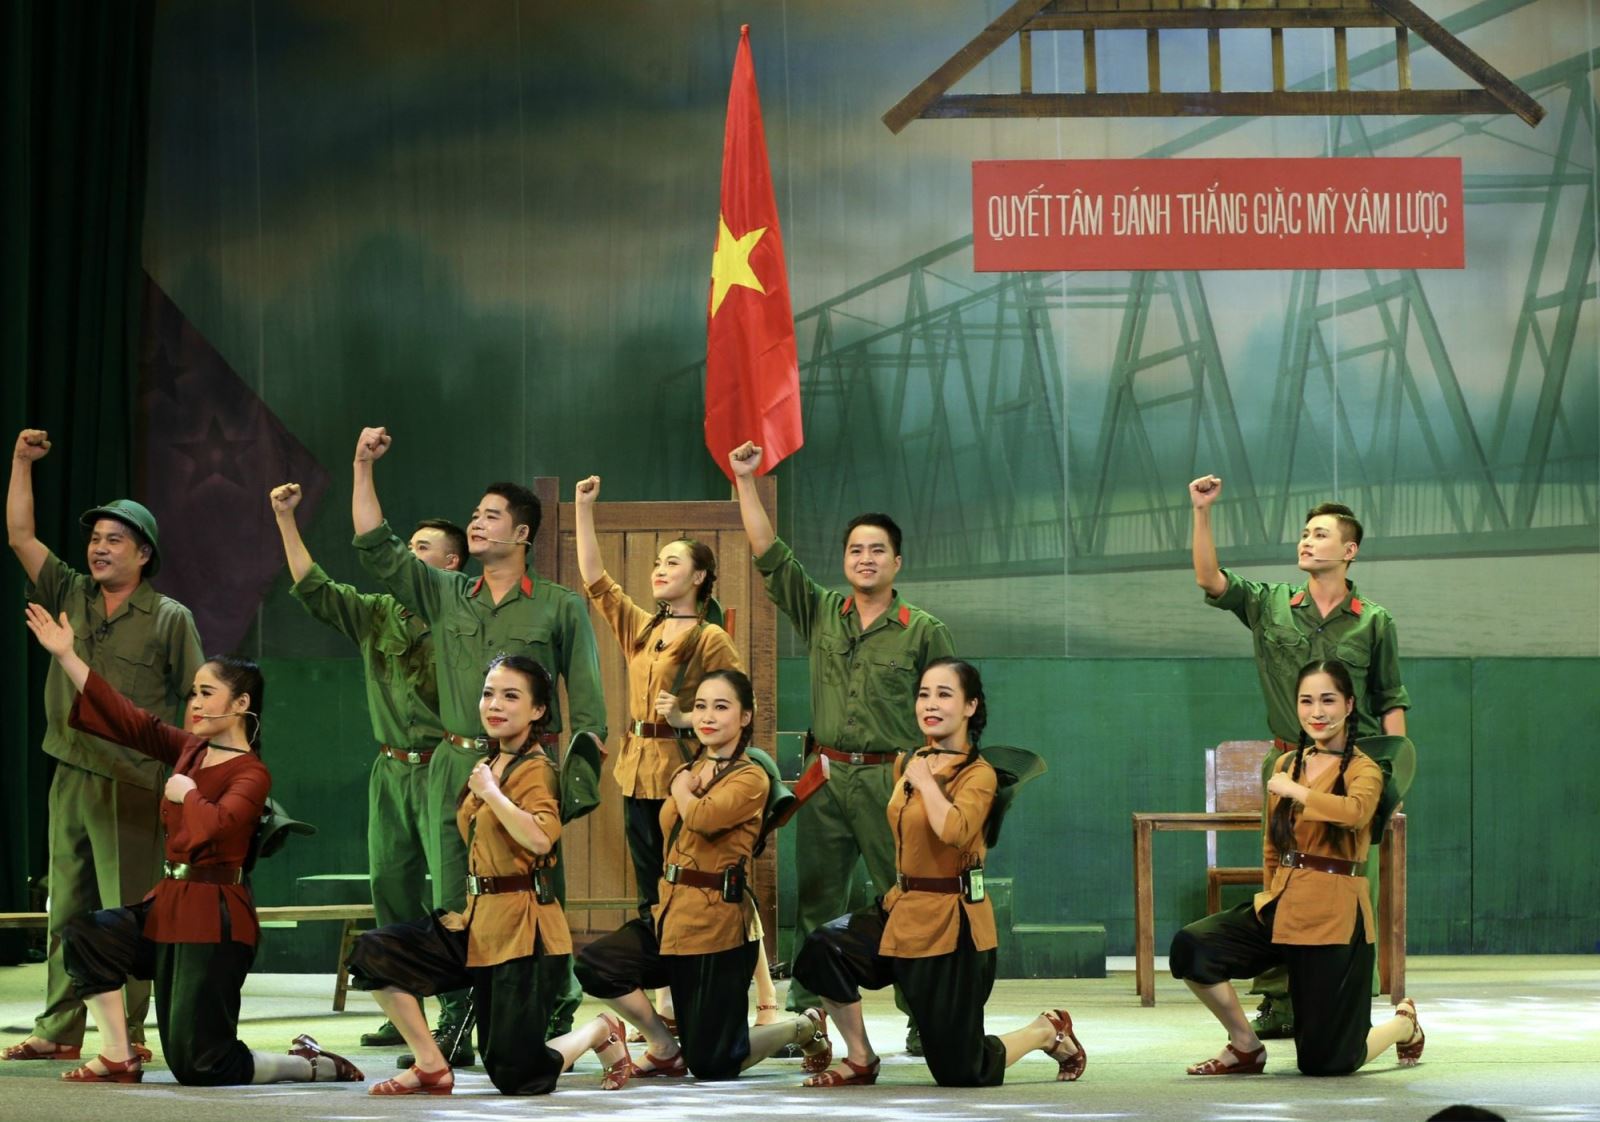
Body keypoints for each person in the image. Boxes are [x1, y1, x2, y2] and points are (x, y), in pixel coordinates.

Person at [21, 604, 362, 1086]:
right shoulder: (192, 750)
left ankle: (310, 1063)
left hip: (214, 919)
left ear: (241, 704)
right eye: (193, 693)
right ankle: (118, 1055)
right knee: (88, 935)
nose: (195, 703)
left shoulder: (251, 773)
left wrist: (188, 793)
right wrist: (67, 656)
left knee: (201, 1065)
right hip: (168, 905)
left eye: (206, 693)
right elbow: (128, 719)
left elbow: (218, 827)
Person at [350, 426, 607, 1061]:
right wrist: (362, 467)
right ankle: (456, 1017)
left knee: (532, 892)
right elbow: (377, 548)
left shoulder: (558, 606)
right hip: (456, 763)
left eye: (490, 516)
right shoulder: (445, 593)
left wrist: (570, 795)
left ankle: (551, 1003)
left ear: (522, 534)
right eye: (474, 514)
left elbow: (590, 710)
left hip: (526, 767)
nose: (476, 522)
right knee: (451, 897)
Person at [729, 440, 954, 1052]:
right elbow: (769, 555)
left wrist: (937, 781)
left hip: (894, 781)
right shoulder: (823, 612)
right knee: (816, 902)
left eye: (877, 550)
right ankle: (809, 1018)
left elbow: (949, 712)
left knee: (908, 897)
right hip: (825, 777)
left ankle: (924, 1014)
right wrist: (745, 481)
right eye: (855, 549)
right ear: (844, 560)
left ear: (897, 562)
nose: (865, 558)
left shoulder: (923, 631)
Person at [5, 429, 205, 1064]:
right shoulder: (71, 593)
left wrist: (191, 779)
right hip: (71, 769)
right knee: (66, 905)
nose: (99, 548)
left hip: (134, 781)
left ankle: (132, 1032)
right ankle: (59, 1027)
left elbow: (197, 700)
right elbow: (20, 535)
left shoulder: (169, 617)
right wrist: (21, 462)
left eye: (114, 539)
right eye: (95, 538)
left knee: (128, 908)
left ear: (144, 554)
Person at [1188, 475, 1411, 1039]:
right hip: (1288, 765)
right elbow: (1210, 579)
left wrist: (1391, 781)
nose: (1306, 541)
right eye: (1305, 533)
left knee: (1345, 880)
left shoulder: (1374, 620)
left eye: (1320, 534)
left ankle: (1344, 994)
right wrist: (1202, 511)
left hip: (1352, 771)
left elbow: (1390, 701)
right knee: (1281, 879)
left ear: (1349, 550)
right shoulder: (1270, 605)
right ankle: (1279, 1000)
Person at [791, 658, 1084, 1087]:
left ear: (970, 706)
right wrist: (919, 773)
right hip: (902, 909)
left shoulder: (979, 775)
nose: (930, 704)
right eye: (924, 694)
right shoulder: (912, 762)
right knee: (824, 949)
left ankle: (1045, 1029)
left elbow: (955, 831)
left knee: (961, 1070)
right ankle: (861, 1059)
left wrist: (928, 783)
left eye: (944, 695)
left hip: (952, 926)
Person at [344, 655, 627, 1096]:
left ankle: (599, 1030)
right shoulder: (491, 763)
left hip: (522, 933)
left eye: (510, 696)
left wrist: (492, 794)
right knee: (374, 952)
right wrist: (489, 786)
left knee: (516, 1074)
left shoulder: (536, 769)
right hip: (476, 922)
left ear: (537, 710)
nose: (494, 705)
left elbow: (540, 838)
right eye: (489, 694)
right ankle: (431, 1065)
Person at [571, 475, 780, 1030]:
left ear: (700, 576)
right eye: (658, 562)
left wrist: (686, 716)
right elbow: (595, 580)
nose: (659, 570)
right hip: (635, 771)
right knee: (653, 891)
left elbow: (738, 703)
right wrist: (584, 508)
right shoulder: (643, 628)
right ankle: (666, 1001)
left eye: (673, 562)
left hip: (684, 775)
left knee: (703, 884)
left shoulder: (709, 637)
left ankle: (764, 998)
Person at [271, 481, 466, 1048]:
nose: (406, 553)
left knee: (452, 894)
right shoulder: (378, 614)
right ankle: (405, 1010)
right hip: (391, 769)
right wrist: (285, 520)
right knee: (390, 888)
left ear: (450, 563)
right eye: (408, 544)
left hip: (443, 766)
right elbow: (314, 587)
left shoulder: (462, 613)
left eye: (421, 547)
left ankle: (459, 1012)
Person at [1169, 658, 1425, 1076]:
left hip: (1334, 916)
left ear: (1349, 705)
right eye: (1307, 701)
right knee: (1193, 947)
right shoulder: (1287, 765)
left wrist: (1297, 792)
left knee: (1326, 1062)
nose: (1316, 712)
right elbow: (1273, 845)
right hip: (1284, 904)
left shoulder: (1364, 768)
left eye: (1328, 700)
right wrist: (1271, 895)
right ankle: (1245, 1046)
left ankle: (1403, 1024)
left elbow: (1355, 813)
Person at [575, 670, 832, 1085]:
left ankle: (803, 1027)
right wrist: (683, 783)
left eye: (721, 706)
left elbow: (703, 818)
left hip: (717, 928)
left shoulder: (750, 776)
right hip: (671, 914)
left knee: (714, 1064)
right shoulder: (692, 767)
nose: (707, 716)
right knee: (598, 964)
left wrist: (679, 787)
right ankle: (664, 1048)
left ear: (745, 717)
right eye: (700, 706)